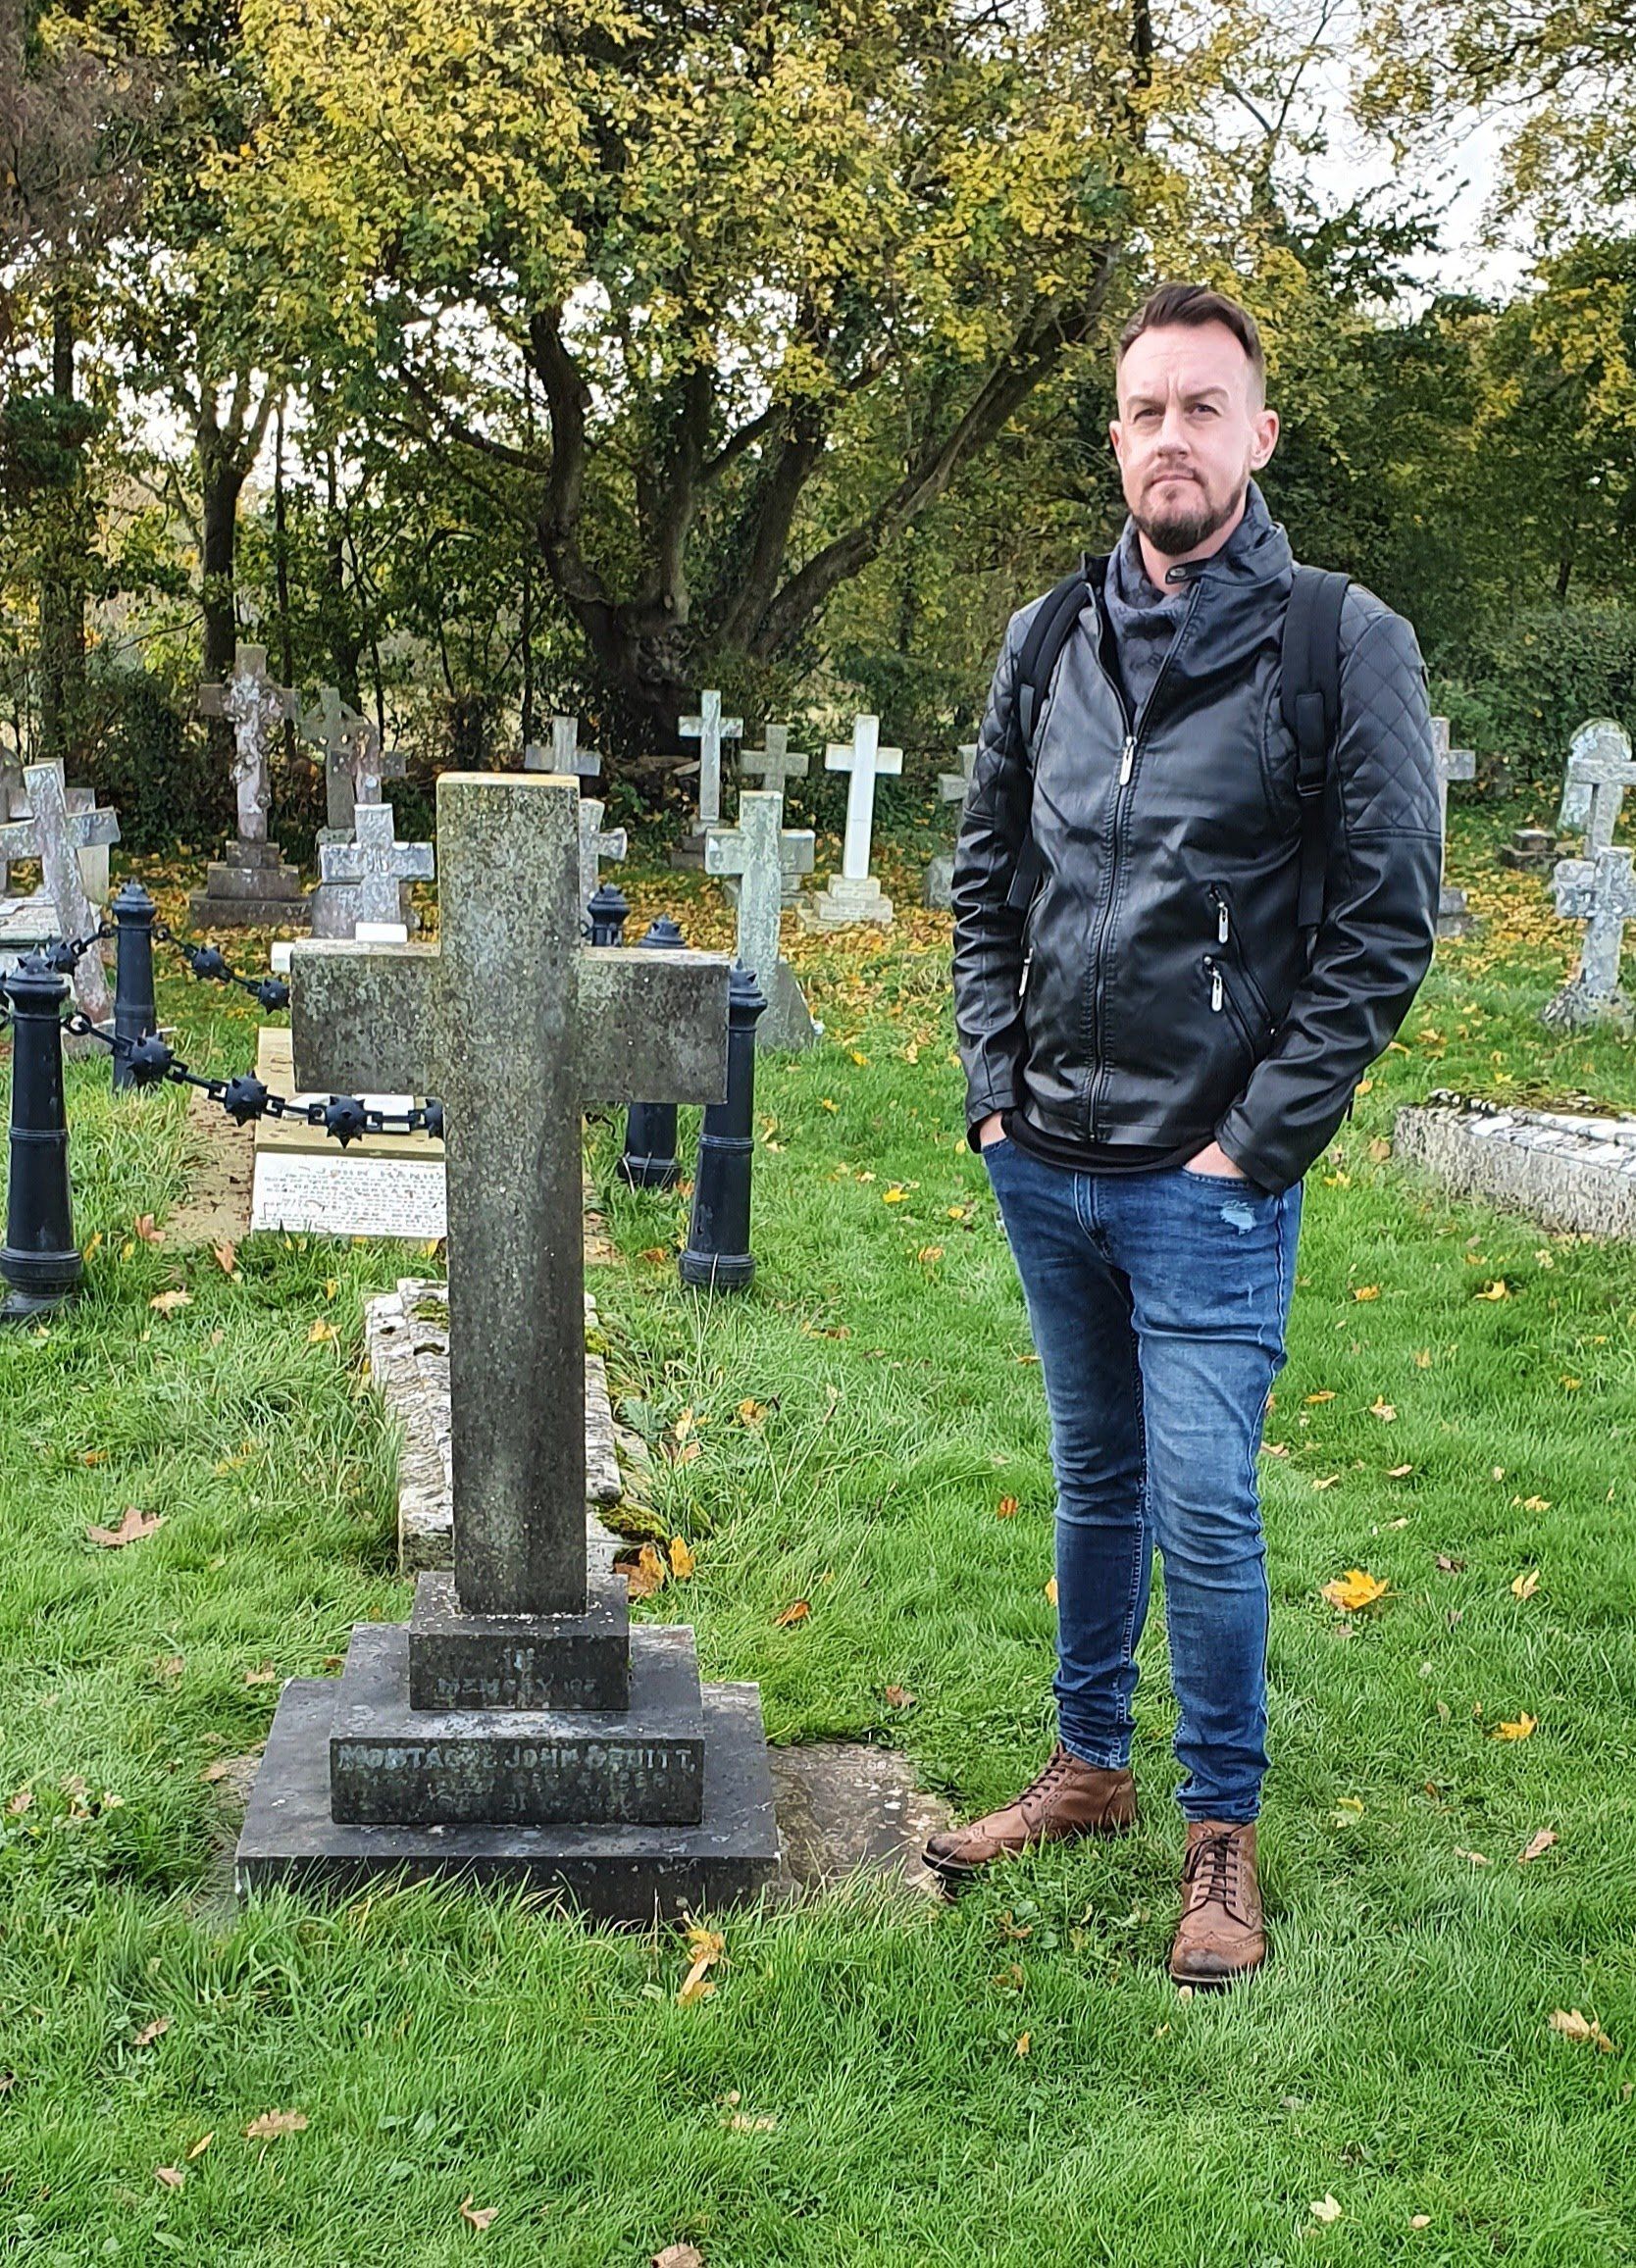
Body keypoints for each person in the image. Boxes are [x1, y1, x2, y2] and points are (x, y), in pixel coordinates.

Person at [931, 280, 1442, 1985]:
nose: (1171, 438)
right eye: (1146, 410)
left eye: (1203, 408)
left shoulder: (1334, 641)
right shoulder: (1047, 638)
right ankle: (1087, 1768)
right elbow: (988, 872)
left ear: (1258, 435)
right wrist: (993, 1083)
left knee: (1205, 1506)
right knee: (1095, 1479)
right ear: (1118, 438)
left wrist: (1258, 1141)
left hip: (1208, 1179)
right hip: (1047, 1157)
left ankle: (1219, 1830)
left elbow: (1384, 924)